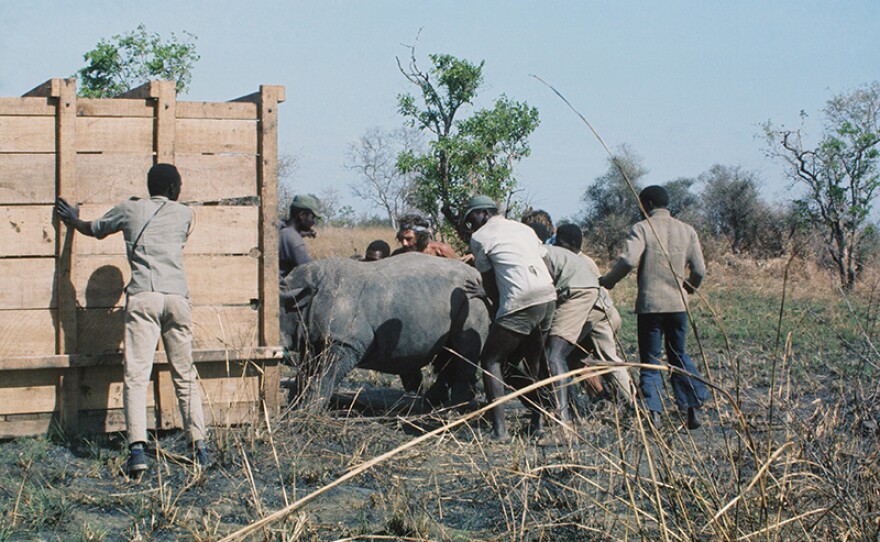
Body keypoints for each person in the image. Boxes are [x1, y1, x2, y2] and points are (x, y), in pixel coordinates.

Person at [54, 163, 209, 475]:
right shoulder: (187, 214)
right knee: (185, 375)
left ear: (149, 186)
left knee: (136, 376)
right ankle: (200, 448)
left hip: (143, 297)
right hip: (178, 298)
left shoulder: (129, 209)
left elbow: (94, 229)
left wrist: (73, 220)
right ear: (175, 188)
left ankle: (137, 451)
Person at [599, 185, 708, 429]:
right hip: (677, 305)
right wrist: (689, 287)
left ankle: (653, 411)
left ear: (646, 205)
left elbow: (628, 260)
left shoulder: (642, 228)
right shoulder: (686, 230)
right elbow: (699, 270)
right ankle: (692, 406)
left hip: (650, 306)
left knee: (650, 358)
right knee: (678, 354)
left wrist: (609, 281)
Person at [463, 195, 557, 440]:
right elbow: (549, 269)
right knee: (535, 362)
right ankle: (539, 424)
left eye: (470, 218)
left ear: (483, 213)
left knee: (491, 361)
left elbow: (491, 285)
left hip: (521, 300)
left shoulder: (480, 237)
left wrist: (495, 307)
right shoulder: (523, 228)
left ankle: (500, 431)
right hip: (547, 295)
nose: (470, 225)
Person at [554, 224, 634, 404]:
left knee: (608, 361)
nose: (557, 246)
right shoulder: (571, 259)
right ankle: (600, 397)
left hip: (597, 315)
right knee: (576, 358)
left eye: (560, 243)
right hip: (594, 315)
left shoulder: (581, 262)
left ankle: (632, 402)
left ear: (572, 245)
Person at [279, 194, 321, 280]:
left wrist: (306, 233)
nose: (313, 222)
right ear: (302, 215)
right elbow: (311, 271)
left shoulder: (283, 230)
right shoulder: (294, 240)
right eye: (312, 217)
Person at [392, 213, 457, 258]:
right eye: (401, 239)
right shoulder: (398, 255)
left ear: (420, 237)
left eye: (409, 239)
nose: (404, 243)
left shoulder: (441, 250)